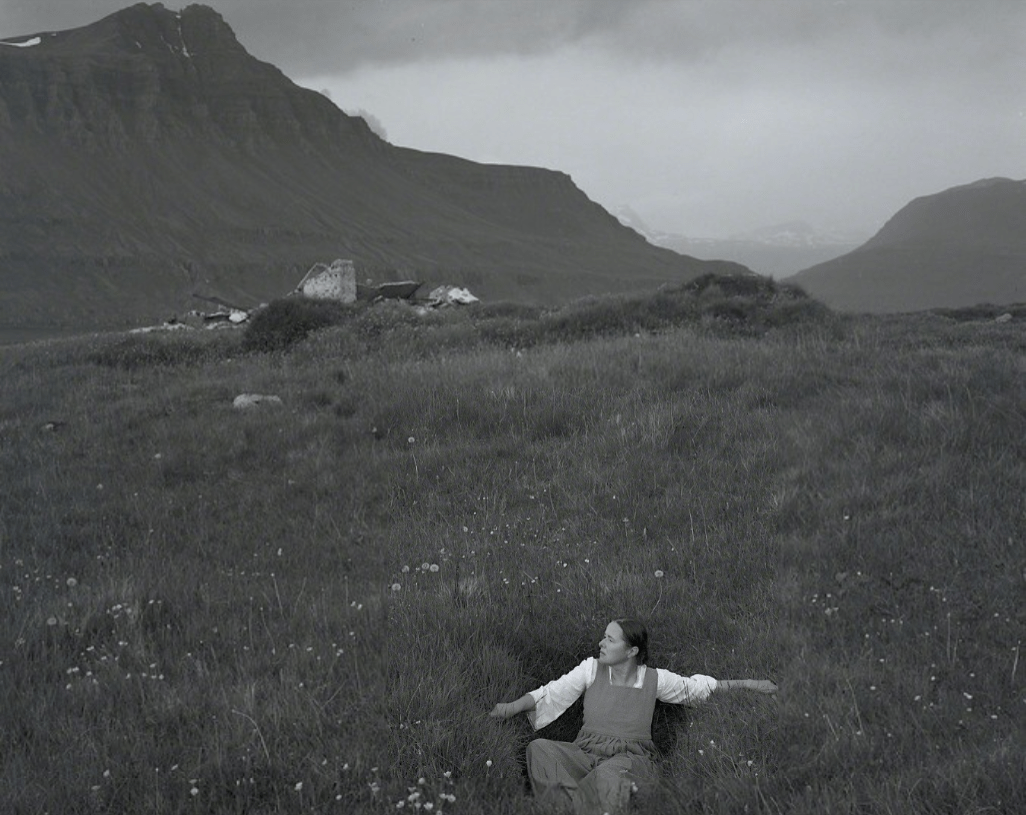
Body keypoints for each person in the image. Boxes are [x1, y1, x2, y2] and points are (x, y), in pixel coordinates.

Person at [489, 618, 777, 814]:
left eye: (610, 640)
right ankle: (576, 806)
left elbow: (699, 689)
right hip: (584, 753)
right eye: (604, 637)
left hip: (629, 758)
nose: (601, 643)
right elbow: (552, 692)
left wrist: (750, 685)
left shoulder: (654, 679)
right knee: (539, 750)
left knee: (609, 776)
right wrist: (511, 707)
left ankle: (571, 804)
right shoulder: (590, 669)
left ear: (632, 650)